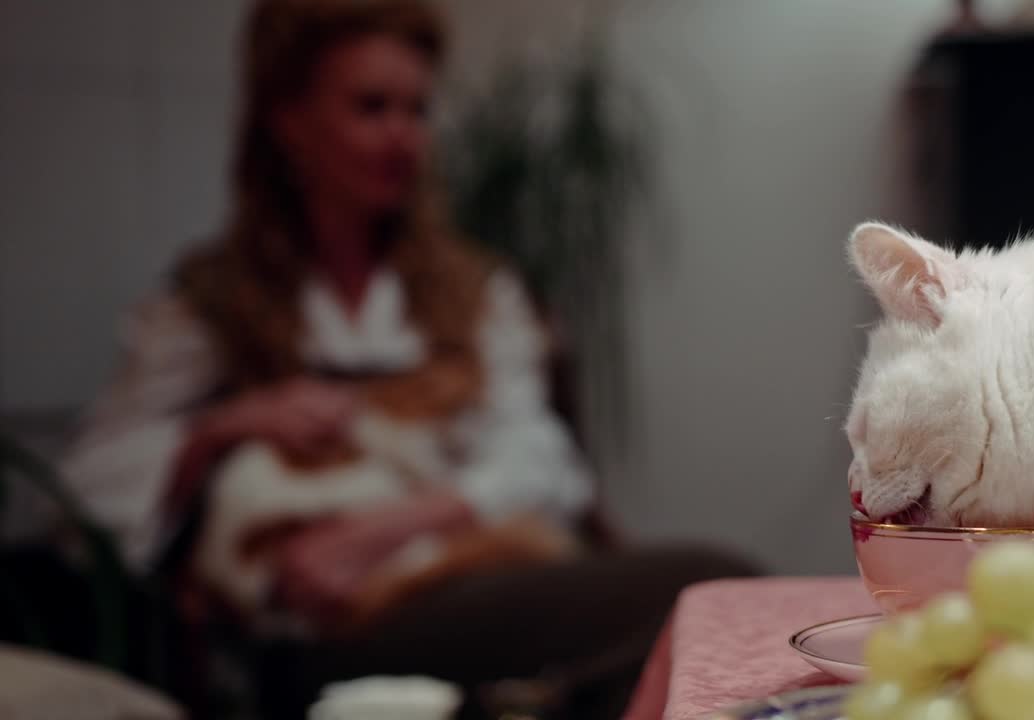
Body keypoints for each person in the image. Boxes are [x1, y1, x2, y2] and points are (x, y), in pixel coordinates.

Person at [57, 1, 756, 717]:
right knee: (713, 592)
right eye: (371, 107)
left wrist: (385, 529)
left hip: (462, 573)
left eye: (417, 110)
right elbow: (91, 492)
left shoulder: (473, 292)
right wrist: (225, 426)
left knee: (701, 617)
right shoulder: (212, 302)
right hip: (317, 626)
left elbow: (540, 459)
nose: (404, 137)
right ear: (289, 121)